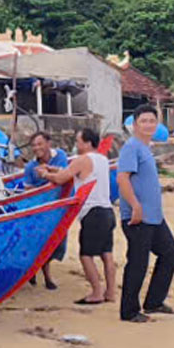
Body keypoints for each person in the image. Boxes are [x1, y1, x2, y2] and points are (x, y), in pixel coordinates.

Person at [37, 128, 116, 304]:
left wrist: (45, 174)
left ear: (87, 143)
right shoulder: (102, 159)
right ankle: (110, 292)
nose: (76, 144)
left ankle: (96, 292)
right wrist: (53, 169)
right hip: (107, 211)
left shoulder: (82, 159)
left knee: (86, 255)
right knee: (106, 253)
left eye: (79, 141)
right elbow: (72, 171)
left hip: (92, 213)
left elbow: (61, 178)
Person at [117, 104, 174, 323]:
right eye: (144, 121)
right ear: (135, 125)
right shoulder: (131, 147)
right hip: (137, 216)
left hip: (154, 217)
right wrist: (134, 206)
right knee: (137, 262)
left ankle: (153, 302)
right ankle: (129, 311)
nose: (148, 125)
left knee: (170, 252)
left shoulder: (145, 148)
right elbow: (122, 178)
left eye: (152, 121)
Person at [24, 132, 69, 289]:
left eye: (39, 144)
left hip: (59, 208)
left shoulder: (60, 156)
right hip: (40, 212)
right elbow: (28, 190)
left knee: (57, 243)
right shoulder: (30, 167)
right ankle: (45, 276)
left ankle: (38, 271)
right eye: (34, 145)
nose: (37, 148)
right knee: (41, 242)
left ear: (48, 143)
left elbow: (64, 176)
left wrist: (46, 174)